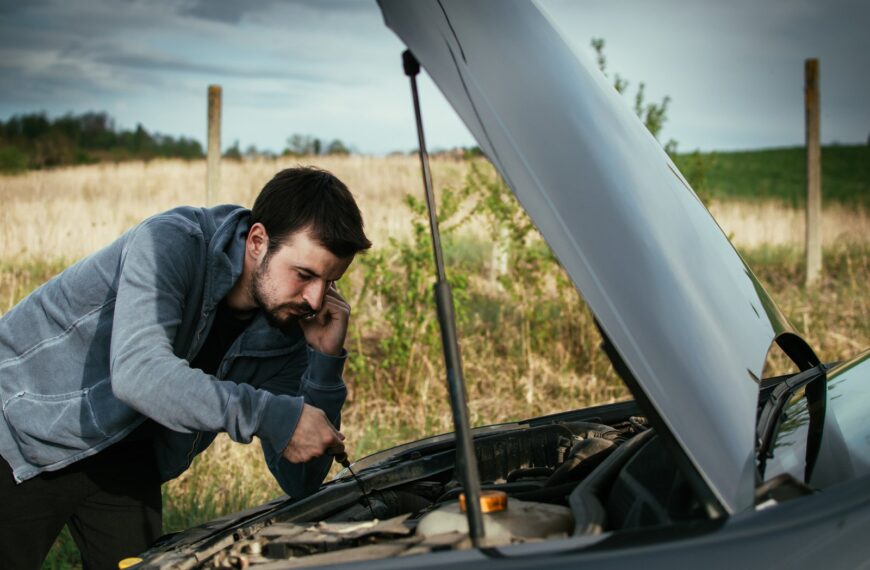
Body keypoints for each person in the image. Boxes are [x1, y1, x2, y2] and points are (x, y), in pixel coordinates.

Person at [0, 166, 372, 569]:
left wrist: (324, 361)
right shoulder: (171, 242)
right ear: (258, 241)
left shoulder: (286, 329)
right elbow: (139, 373)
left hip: (126, 456)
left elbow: (300, 481)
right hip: (26, 428)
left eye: (330, 282)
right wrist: (267, 414)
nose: (315, 300)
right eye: (304, 275)